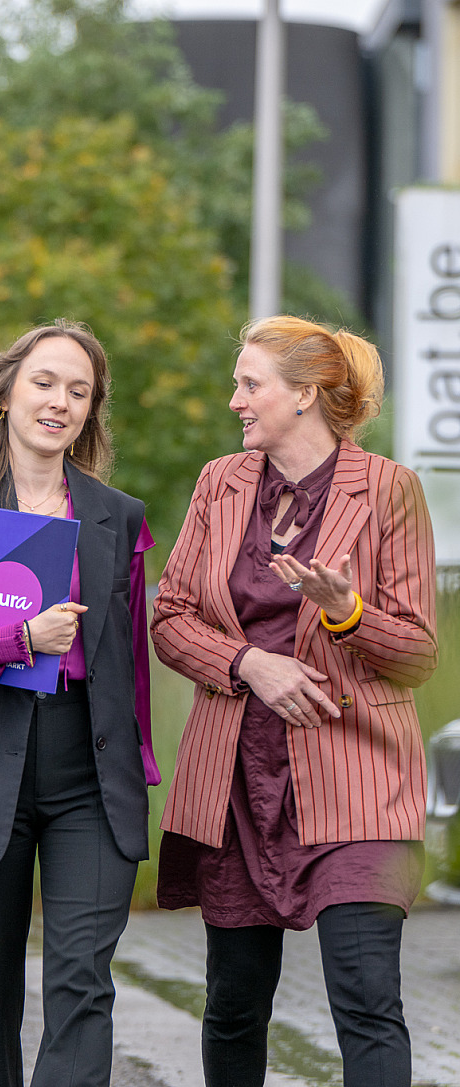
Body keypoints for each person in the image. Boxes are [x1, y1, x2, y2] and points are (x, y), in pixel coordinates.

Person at [151, 316, 438, 1087]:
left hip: (357, 783)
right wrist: (249, 663)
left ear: (305, 394)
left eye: (250, 384)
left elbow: (416, 655)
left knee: (366, 999)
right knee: (234, 1005)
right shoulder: (219, 482)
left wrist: (347, 613)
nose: (234, 400)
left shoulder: (388, 490)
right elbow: (170, 617)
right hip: (238, 784)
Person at [0, 318, 160, 1087]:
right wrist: (17, 638)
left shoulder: (118, 518)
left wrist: (135, 766)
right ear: (8, 390)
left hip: (87, 764)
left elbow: (128, 662)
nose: (59, 402)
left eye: (79, 391)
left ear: (90, 412)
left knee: (83, 983)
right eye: (45, 382)